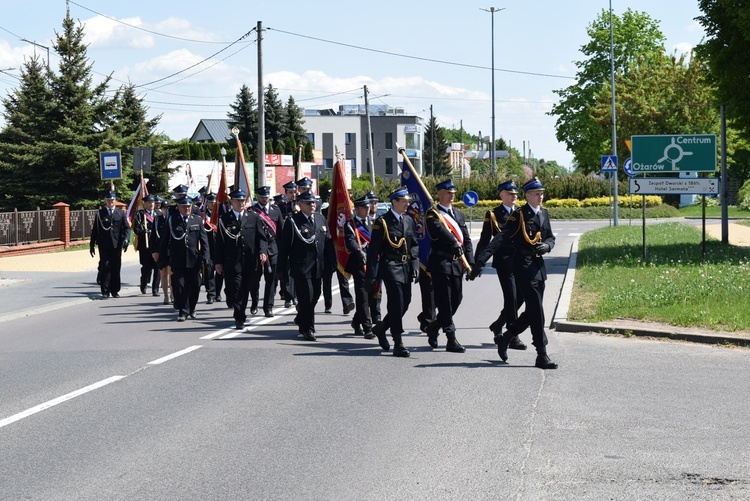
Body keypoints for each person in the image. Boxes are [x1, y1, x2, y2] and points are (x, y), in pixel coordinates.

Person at [470, 177, 558, 370]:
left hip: (539, 268)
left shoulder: (544, 213)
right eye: (537, 193)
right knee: (537, 312)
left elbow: (550, 237)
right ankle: (541, 354)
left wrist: (548, 246)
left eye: (542, 193)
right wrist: (480, 261)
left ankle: (506, 337)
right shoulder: (519, 215)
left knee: (531, 311)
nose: (541, 196)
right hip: (523, 267)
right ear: (527, 196)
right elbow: (499, 238)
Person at [473, 180, 527, 351]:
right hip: (504, 260)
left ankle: (498, 324)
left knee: (521, 297)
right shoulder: (493, 214)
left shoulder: (521, 213)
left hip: (520, 260)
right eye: (510, 193)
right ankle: (513, 336)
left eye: (515, 194)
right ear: (502, 195)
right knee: (510, 297)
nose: (514, 196)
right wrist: (478, 262)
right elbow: (485, 239)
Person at [366, 187, 420, 358]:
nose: (407, 204)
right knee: (396, 303)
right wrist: (372, 276)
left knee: (406, 303)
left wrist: (415, 265)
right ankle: (398, 342)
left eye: (408, 201)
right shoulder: (382, 222)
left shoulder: (408, 220)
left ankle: (381, 328)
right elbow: (373, 251)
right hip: (390, 266)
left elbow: (414, 245)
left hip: (405, 267)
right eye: (404, 201)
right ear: (394, 202)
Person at [423, 179, 474, 352]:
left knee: (456, 300)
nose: (452, 195)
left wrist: (470, 262)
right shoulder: (433, 214)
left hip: (456, 264)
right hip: (441, 263)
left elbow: (466, 240)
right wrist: (453, 240)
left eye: (453, 192)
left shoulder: (458, 215)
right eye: (448, 192)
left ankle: (434, 326)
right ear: (439, 193)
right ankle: (451, 338)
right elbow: (439, 231)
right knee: (444, 302)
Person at [214, 190, 268, 330]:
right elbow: (219, 242)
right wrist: (218, 262)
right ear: (231, 201)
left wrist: (262, 252)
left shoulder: (254, 217)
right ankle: (239, 317)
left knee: (245, 288)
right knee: (236, 289)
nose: (241, 203)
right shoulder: (224, 219)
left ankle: (241, 311)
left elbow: (261, 238)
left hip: (250, 261)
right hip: (232, 261)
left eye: (243, 200)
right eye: (238, 200)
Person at [277, 191, 328, 341]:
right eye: (308, 203)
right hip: (301, 267)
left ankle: (301, 318)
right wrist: (281, 269)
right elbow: (285, 247)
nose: (312, 205)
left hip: (317, 266)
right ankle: (308, 329)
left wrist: (331, 262)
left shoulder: (320, 218)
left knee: (316, 295)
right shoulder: (293, 221)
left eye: (313, 202)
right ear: (300, 204)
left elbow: (328, 241)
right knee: (306, 297)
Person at [154, 196, 210, 321]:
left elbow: (204, 240)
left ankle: (192, 307)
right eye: (184, 206)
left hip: (194, 259)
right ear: (179, 207)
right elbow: (164, 239)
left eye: (189, 206)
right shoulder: (172, 220)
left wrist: (205, 257)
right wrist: (161, 256)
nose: (187, 208)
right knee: (180, 286)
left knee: (195, 285)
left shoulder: (197, 219)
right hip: (178, 259)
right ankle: (183, 311)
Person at [249, 186, 284, 317]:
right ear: (257, 196)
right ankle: (254, 302)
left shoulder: (276, 210)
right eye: (262, 196)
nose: (264, 198)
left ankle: (268, 307)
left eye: (266, 196)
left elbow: (281, 231)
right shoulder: (252, 211)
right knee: (254, 280)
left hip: (273, 249)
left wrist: (281, 250)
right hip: (257, 249)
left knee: (271, 280)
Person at [344, 195, 376, 338]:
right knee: (362, 296)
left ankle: (357, 321)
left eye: (368, 206)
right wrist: (358, 251)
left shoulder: (374, 222)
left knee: (370, 296)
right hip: (359, 264)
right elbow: (350, 241)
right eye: (364, 206)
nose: (368, 208)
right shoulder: (351, 224)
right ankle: (368, 328)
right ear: (357, 209)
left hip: (373, 264)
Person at [90, 191, 131, 299]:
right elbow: (95, 230)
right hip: (104, 245)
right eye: (108, 200)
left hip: (116, 245)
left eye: (112, 200)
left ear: (115, 201)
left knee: (116, 267)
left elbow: (126, 228)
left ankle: (115, 290)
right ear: (105, 201)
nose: (110, 202)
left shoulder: (120, 213)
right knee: (105, 267)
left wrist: (126, 239)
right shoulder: (100, 213)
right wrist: (91, 244)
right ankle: (105, 291)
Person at [133, 194, 159, 296]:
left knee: (158, 268)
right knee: (146, 268)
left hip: (156, 245)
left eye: (153, 202)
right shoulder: (140, 215)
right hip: (145, 246)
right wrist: (142, 232)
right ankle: (143, 283)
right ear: (145, 203)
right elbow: (136, 229)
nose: (152, 204)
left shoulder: (158, 214)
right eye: (149, 202)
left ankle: (155, 289)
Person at [279, 181, 298, 308]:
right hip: (285, 242)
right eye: (290, 192)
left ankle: (295, 295)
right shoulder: (281, 207)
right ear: (286, 194)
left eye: (294, 192)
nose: (293, 194)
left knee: (296, 271)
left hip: (297, 242)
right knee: (286, 271)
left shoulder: (300, 205)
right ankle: (287, 296)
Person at [151, 197, 172, 304]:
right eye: (164, 208)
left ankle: (173, 294)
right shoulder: (157, 219)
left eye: (168, 208)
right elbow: (153, 236)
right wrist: (154, 251)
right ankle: (165, 296)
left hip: (171, 250)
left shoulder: (173, 219)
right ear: (161, 209)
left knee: (171, 273)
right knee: (163, 274)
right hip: (161, 250)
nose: (166, 210)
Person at [366, 190, 382, 322]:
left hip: (379, 259)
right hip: (365, 260)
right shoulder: (359, 222)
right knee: (367, 290)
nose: (373, 205)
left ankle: (376, 314)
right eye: (371, 202)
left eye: (375, 203)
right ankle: (361, 317)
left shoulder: (381, 221)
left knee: (378, 288)